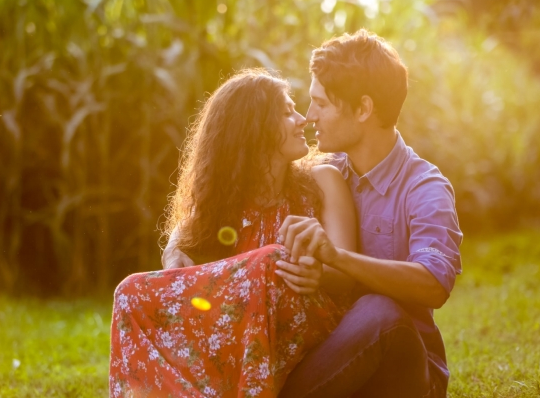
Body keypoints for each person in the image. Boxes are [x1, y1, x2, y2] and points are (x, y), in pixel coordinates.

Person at [109, 69, 358, 398]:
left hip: (311, 323)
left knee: (270, 261)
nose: (301, 119)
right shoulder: (225, 198)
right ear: (254, 128)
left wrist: (319, 274)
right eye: (286, 112)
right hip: (241, 333)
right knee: (130, 291)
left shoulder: (323, 180)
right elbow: (179, 242)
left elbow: (346, 269)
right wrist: (173, 254)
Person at [277, 29, 463, 398]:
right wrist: (178, 244)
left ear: (363, 108)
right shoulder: (319, 173)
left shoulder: (424, 188)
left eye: (322, 104)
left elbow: (433, 283)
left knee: (378, 311)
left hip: (404, 375)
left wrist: (338, 259)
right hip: (331, 365)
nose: (310, 115)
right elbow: (244, 186)